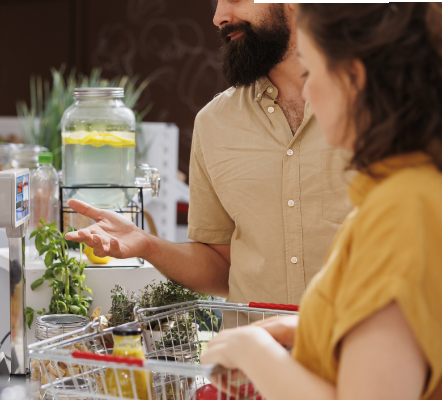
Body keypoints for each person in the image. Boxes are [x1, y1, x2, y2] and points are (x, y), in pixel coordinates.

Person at [201, 4, 442, 399]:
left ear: (354, 78)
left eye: (310, 72)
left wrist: (254, 352)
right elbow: (405, 329)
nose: (305, 90)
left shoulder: (398, 212)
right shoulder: (414, 190)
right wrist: (307, 328)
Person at [66, 1, 352, 306]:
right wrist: (147, 245)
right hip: (248, 349)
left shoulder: (381, 103)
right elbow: (220, 267)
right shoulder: (214, 122)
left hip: (365, 349)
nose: (219, 17)